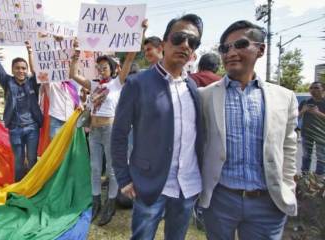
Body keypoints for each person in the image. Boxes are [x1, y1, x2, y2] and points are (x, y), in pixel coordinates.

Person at [198, 20, 298, 240]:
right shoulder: (204, 96)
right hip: (220, 200)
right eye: (225, 48)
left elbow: (289, 146)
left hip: (268, 203)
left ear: (261, 50)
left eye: (241, 44)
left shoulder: (284, 97)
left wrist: (287, 185)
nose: (231, 52)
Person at [111, 14, 204, 239]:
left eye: (193, 42)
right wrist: (123, 179)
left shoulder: (193, 86)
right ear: (163, 44)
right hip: (150, 184)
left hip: (187, 186)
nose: (185, 45)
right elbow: (119, 135)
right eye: (179, 38)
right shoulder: (137, 83)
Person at [69, 39, 137, 226]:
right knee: (95, 168)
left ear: (113, 69)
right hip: (95, 130)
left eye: (104, 67)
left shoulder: (117, 83)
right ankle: (96, 201)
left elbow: (130, 58)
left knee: (112, 170)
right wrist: (75, 56)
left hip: (110, 130)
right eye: (98, 67)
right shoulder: (93, 84)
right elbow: (73, 74)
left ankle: (111, 203)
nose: (100, 70)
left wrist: (140, 32)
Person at [0, 25, 43, 182]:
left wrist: (30, 51)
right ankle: (19, 187)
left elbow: (42, 69)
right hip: (15, 129)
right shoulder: (7, 81)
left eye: (23, 68)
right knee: (19, 162)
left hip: (33, 128)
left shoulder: (33, 83)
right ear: (12, 70)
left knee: (32, 159)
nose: (21, 71)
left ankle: (31, 186)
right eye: (17, 68)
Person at [299, 81, 325, 177]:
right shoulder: (305, 102)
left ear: (323, 89)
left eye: (316, 88)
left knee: (321, 156)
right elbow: (296, 117)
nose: (313, 90)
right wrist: (303, 110)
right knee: (306, 155)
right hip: (306, 133)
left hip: (322, 134)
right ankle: (304, 176)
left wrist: (317, 113)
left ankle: (319, 177)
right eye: (311, 88)